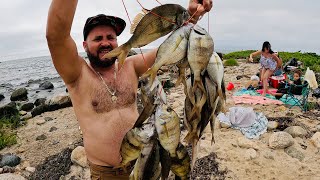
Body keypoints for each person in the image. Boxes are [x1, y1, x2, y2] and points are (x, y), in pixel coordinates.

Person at [46, 0, 213, 179]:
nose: (106, 43)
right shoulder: (76, 74)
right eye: (97, 38)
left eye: (110, 37)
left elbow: (169, 48)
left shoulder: (130, 66)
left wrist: (192, 15)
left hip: (146, 161)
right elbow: (56, 36)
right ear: (85, 45)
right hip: (107, 174)